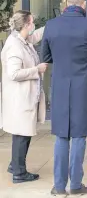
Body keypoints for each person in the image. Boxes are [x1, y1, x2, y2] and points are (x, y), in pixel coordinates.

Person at [41, 0, 87, 195]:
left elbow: (45, 55)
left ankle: (59, 187)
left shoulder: (51, 26)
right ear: (83, 5)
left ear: (66, 4)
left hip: (61, 86)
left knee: (62, 136)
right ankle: (76, 185)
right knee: (79, 135)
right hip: (83, 88)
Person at [1, 10, 47, 183]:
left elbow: (34, 37)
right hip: (19, 98)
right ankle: (19, 173)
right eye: (32, 22)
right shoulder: (14, 46)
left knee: (23, 132)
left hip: (24, 96)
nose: (33, 24)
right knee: (21, 134)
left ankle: (15, 165)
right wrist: (37, 70)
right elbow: (13, 73)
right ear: (26, 24)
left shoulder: (22, 40)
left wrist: (50, 26)